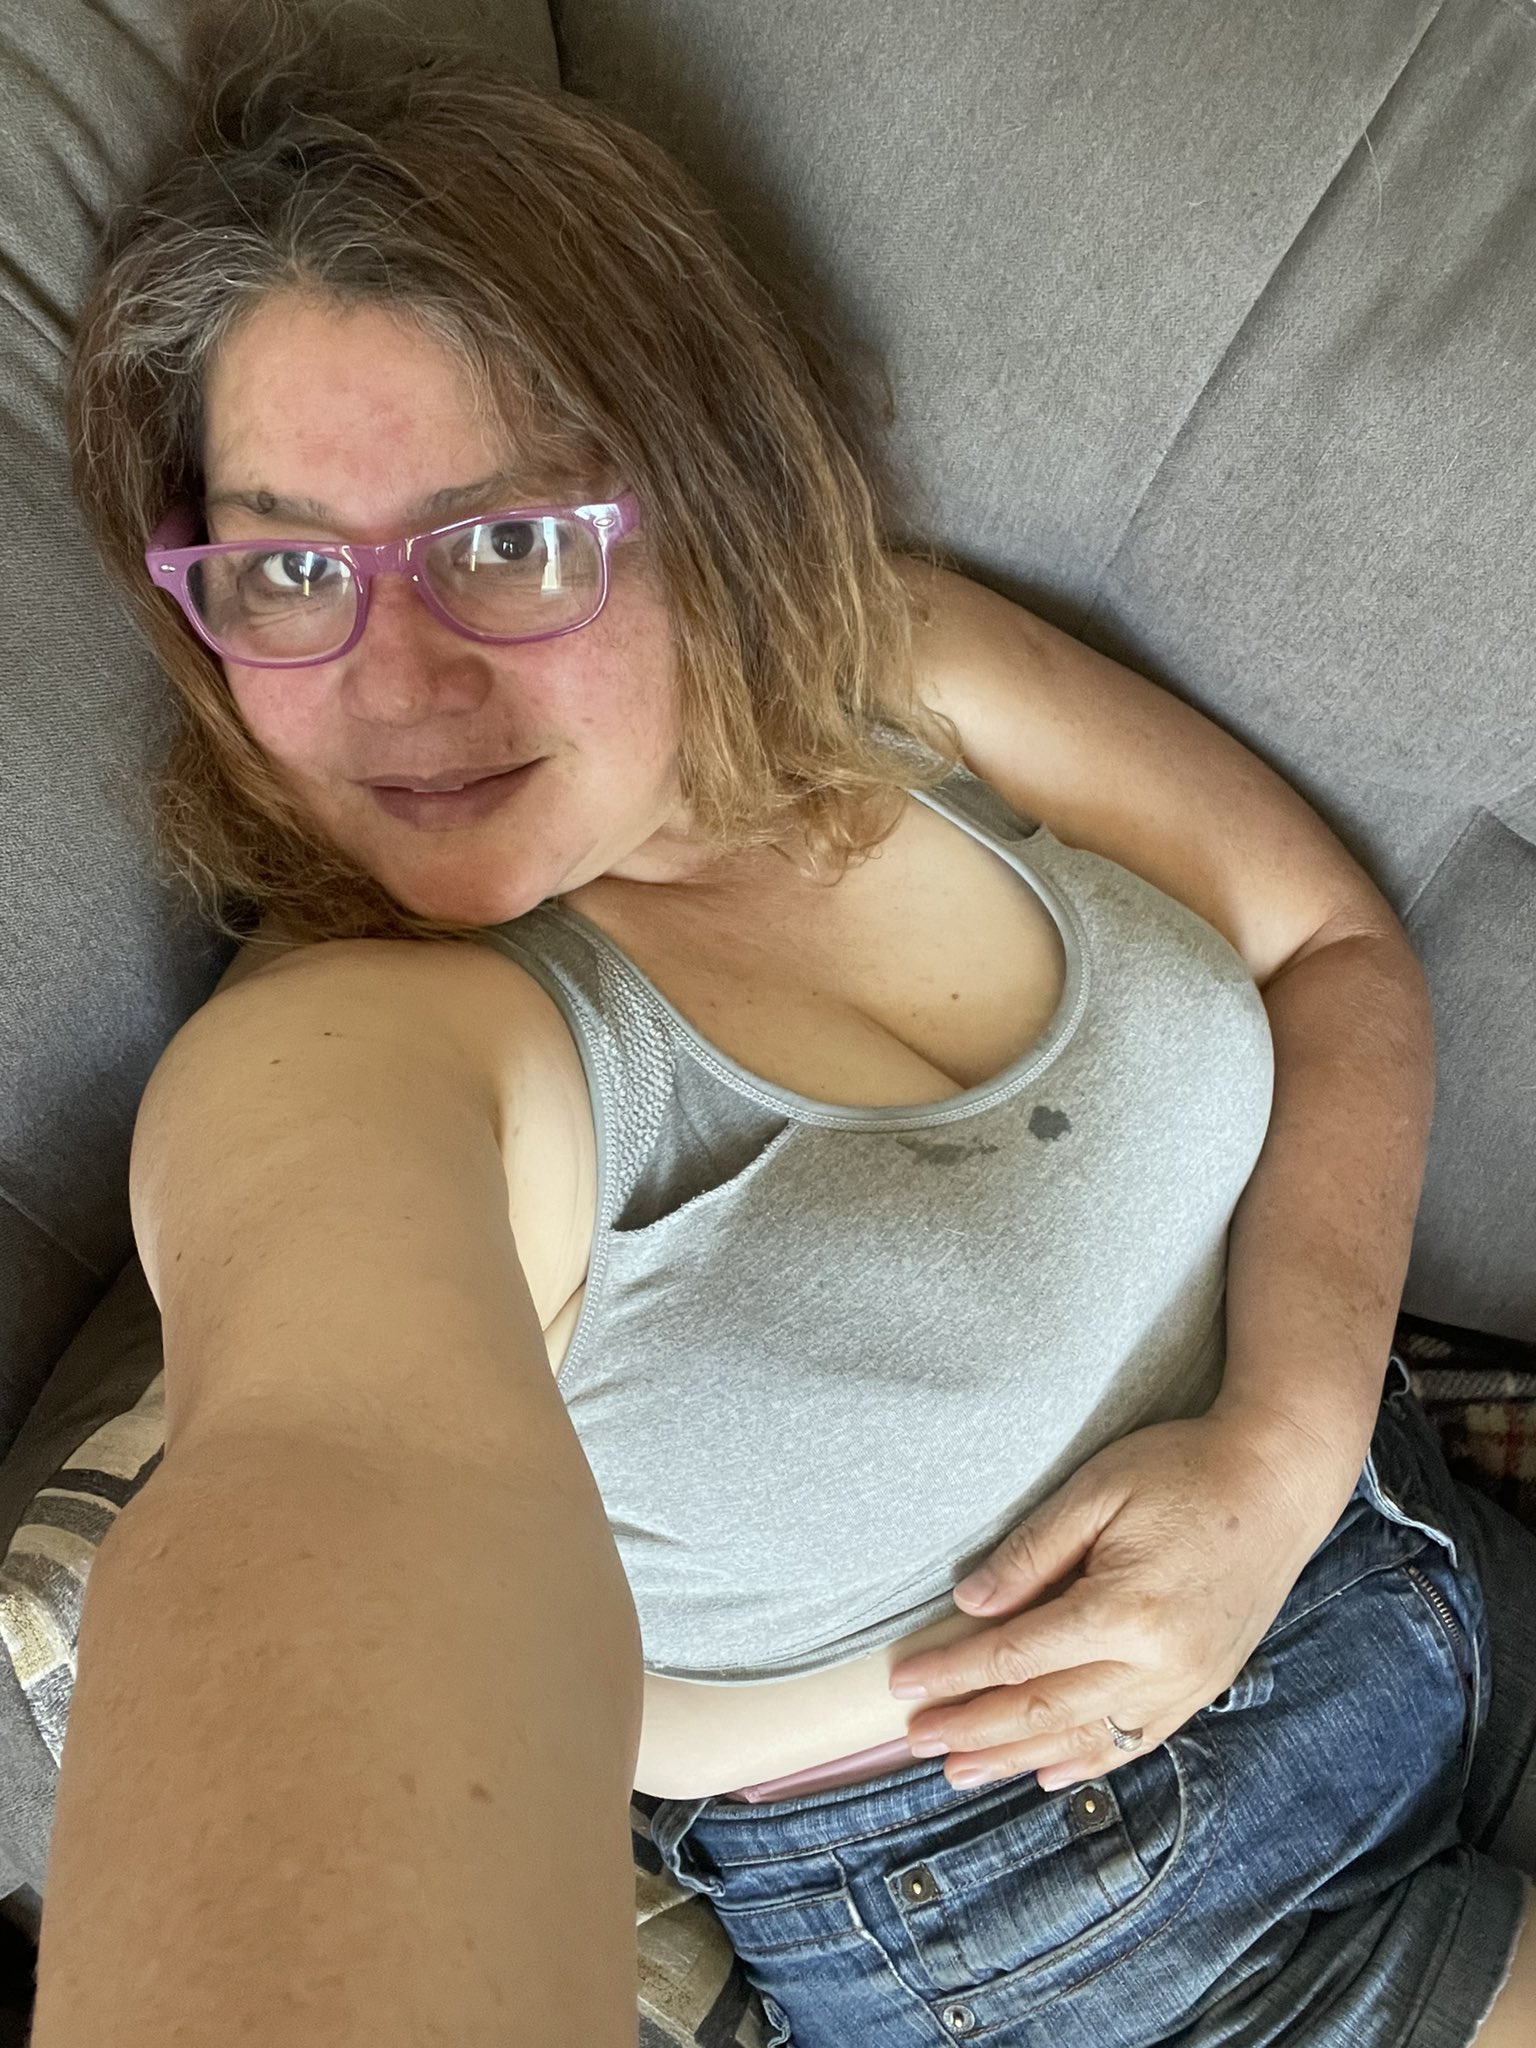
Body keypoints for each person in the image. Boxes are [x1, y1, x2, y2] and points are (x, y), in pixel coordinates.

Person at [31, 1, 1536, 2041]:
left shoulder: (882, 671)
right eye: (288, 572)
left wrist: (1279, 1456)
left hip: (1409, 1545)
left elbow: (1327, 950)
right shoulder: (366, 1061)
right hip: (1072, 1910)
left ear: (699, 493)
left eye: (509, 542)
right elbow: (324, 1485)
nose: (401, 686)